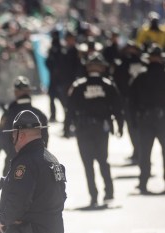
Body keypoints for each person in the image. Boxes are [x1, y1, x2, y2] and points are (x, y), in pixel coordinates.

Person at [65, 53, 124, 207]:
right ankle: (108, 193)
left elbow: (70, 109)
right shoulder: (108, 85)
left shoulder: (79, 85)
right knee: (103, 161)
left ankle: (94, 196)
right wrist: (120, 125)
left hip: (84, 129)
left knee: (89, 164)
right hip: (101, 128)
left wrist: (67, 127)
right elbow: (118, 108)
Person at [0, 76, 48, 176]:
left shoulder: (8, 114)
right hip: (37, 163)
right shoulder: (40, 114)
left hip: (13, 162)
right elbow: (45, 139)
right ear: (29, 92)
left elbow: (1, 137)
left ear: (15, 92)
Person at [129, 44, 165, 194]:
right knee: (146, 152)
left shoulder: (141, 77)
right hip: (159, 118)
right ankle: (143, 181)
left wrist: (133, 121)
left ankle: (143, 182)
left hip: (147, 119)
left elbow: (132, 101)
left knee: (145, 152)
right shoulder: (142, 76)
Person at [113, 40, 145, 164]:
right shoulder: (121, 65)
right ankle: (137, 151)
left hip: (142, 102)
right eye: (129, 49)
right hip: (127, 101)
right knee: (131, 127)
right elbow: (117, 82)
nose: (131, 52)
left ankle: (141, 152)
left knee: (141, 128)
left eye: (133, 49)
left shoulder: (143, 64)